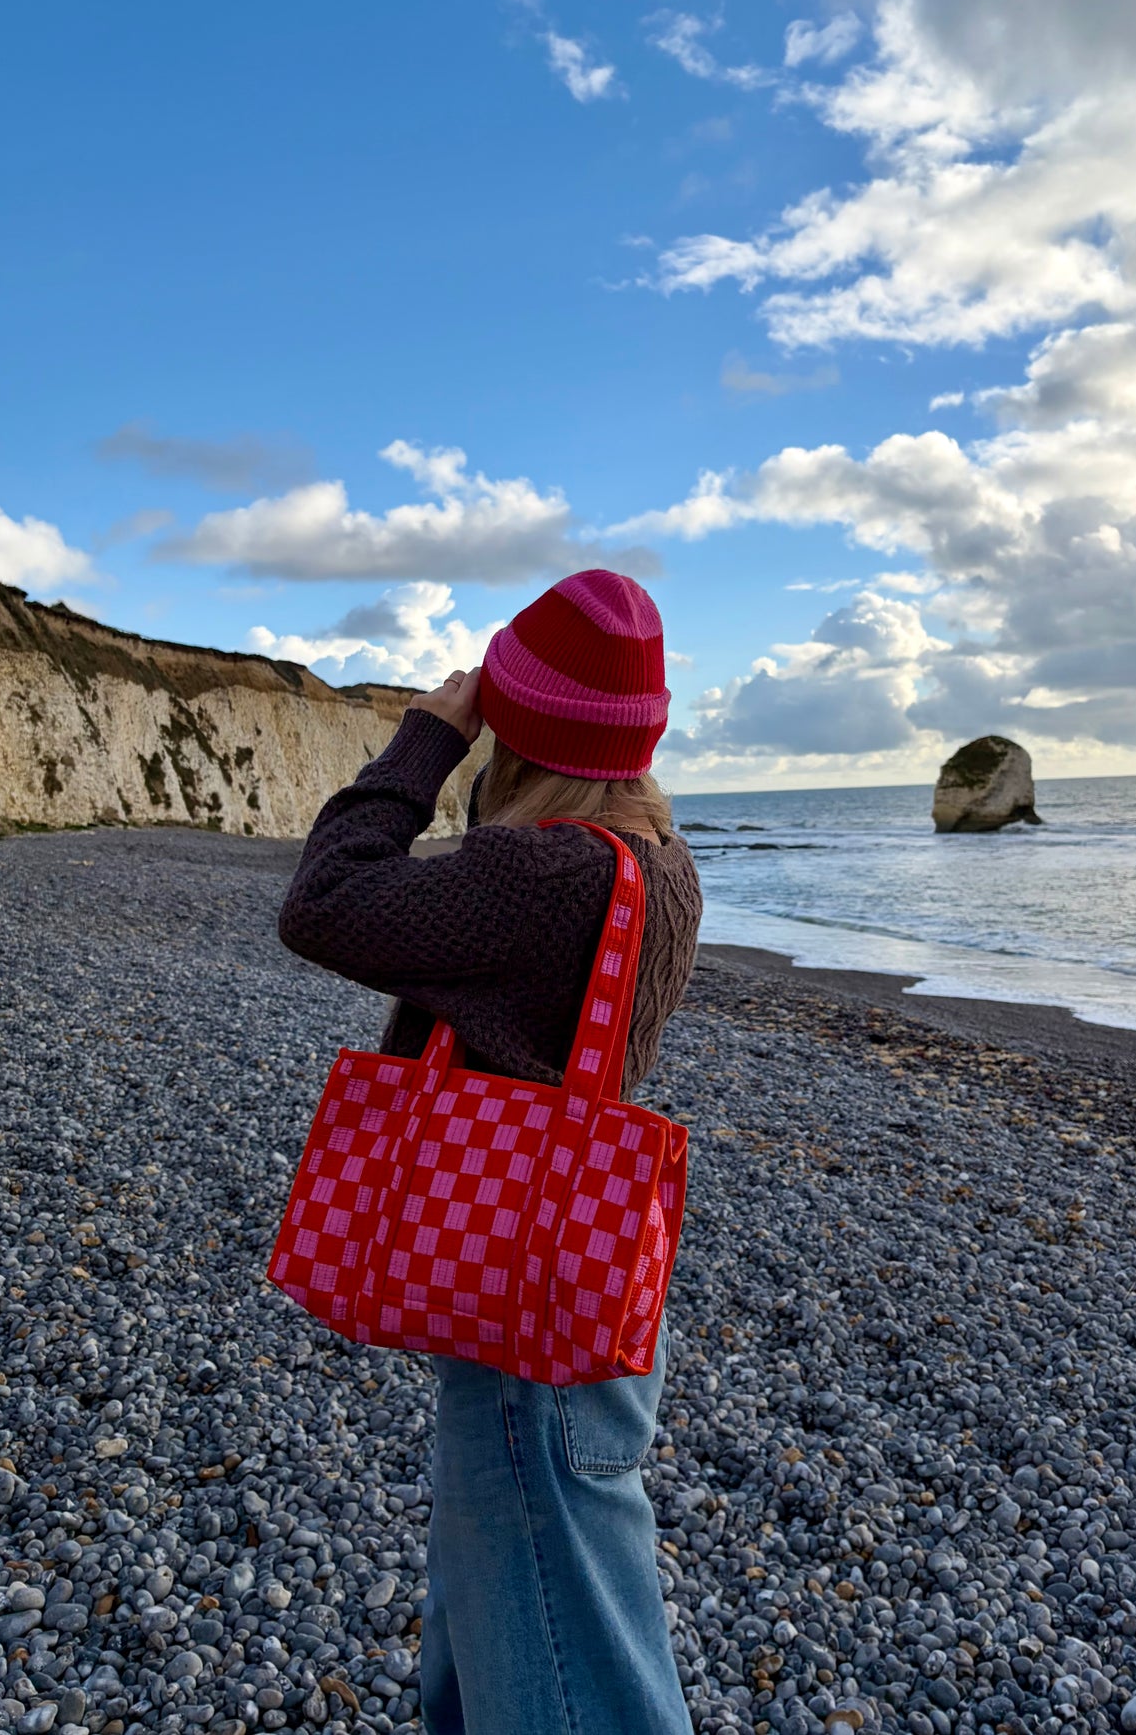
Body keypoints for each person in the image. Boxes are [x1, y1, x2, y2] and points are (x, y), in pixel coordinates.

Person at [277, 569, 703, 1735]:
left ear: (520, 727)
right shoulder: (659, 862)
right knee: (508, 1595)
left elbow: (322, 900)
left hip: (518, 1285)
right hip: (581, 1262)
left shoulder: (538, 877)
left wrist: (428, 737)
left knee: (572, 1650)